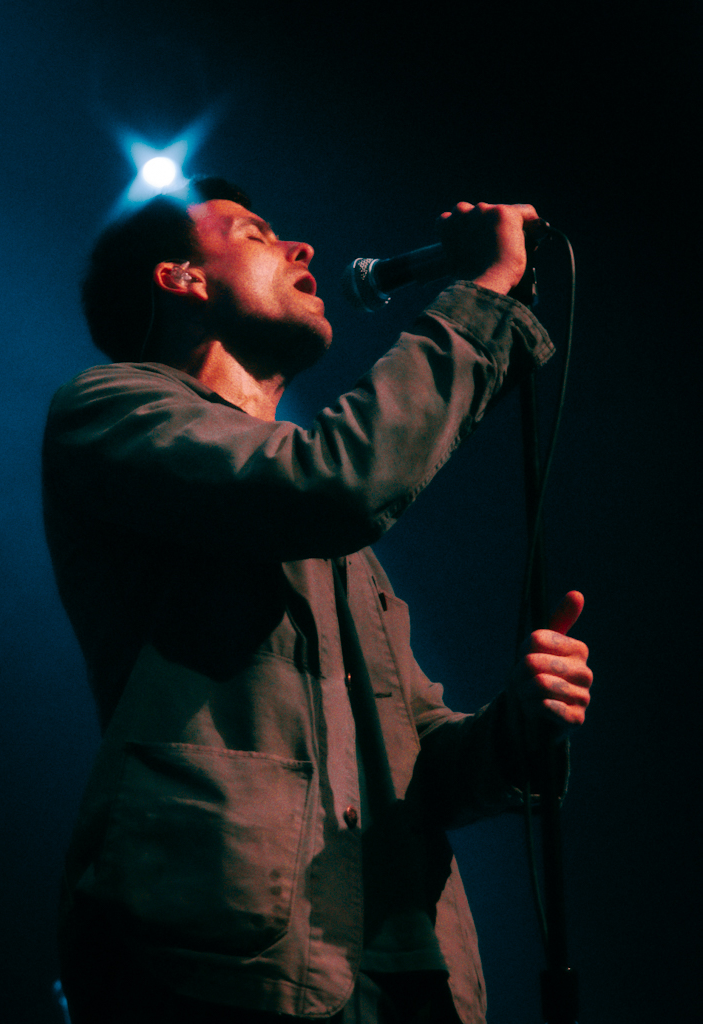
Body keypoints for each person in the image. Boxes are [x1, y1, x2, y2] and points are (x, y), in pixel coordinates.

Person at [42, 177, 592, 1024]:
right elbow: (332, 484)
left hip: (409, 974)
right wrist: (482, 298)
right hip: (217, 958)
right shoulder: (110, 409)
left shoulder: (338, 545)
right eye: (256, 233)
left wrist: (516, 728)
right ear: (180, 278)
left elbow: (422, 766)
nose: (301, 247)